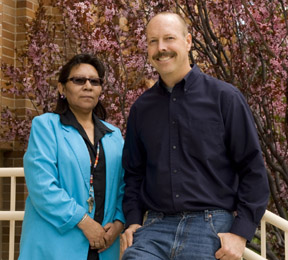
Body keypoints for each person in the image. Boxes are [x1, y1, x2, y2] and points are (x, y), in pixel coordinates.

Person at [121, 12, 269, 260]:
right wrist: (133, 221)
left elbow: (252, 168)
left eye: (169, 38)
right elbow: (134, 173)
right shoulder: (141, 109)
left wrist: (241, 233)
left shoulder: (225, 98)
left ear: (188, 41)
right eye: (153, 41)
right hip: (154, 229)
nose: (162, 48)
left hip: (211, 227)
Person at [19, 53, 125, 260]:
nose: (88, 86)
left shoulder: (114, 135)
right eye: (79, 80)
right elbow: (42, 186)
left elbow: (125, 185)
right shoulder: (46, 126)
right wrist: (84, 222)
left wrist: (119, 223)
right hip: (55, 244)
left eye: (94, 81)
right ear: (62, 88)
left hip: (103, 245)